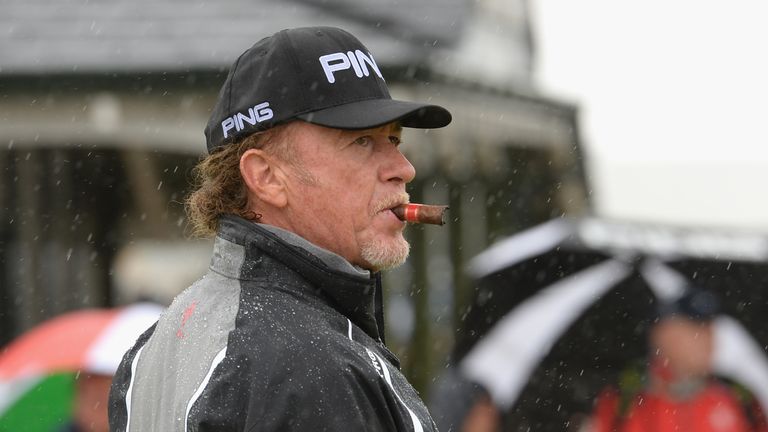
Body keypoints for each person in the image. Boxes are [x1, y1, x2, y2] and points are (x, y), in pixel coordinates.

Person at [108, 26, 452, 431]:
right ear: (267, 176)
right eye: (361, 142)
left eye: (394, 140)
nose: (403, 169)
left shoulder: (153, 347)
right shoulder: (314, 366)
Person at [588, 288, 768, 432]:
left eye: (711, 330)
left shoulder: (740, 399)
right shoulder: (622, 400)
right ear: (664, 336)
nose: (711, 340)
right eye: (698, 329)